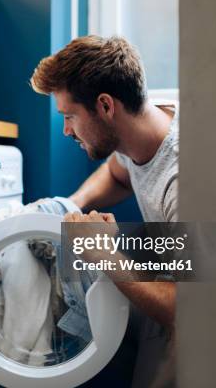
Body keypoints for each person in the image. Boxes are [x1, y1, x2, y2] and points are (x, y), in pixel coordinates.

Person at [30, 35, 179, 388]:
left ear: (105, 106)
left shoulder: (184, 179)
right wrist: (71, 205)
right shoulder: (146, 116)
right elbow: (118, 173)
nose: (66, 130)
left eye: (69, 116)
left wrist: (104, 255)